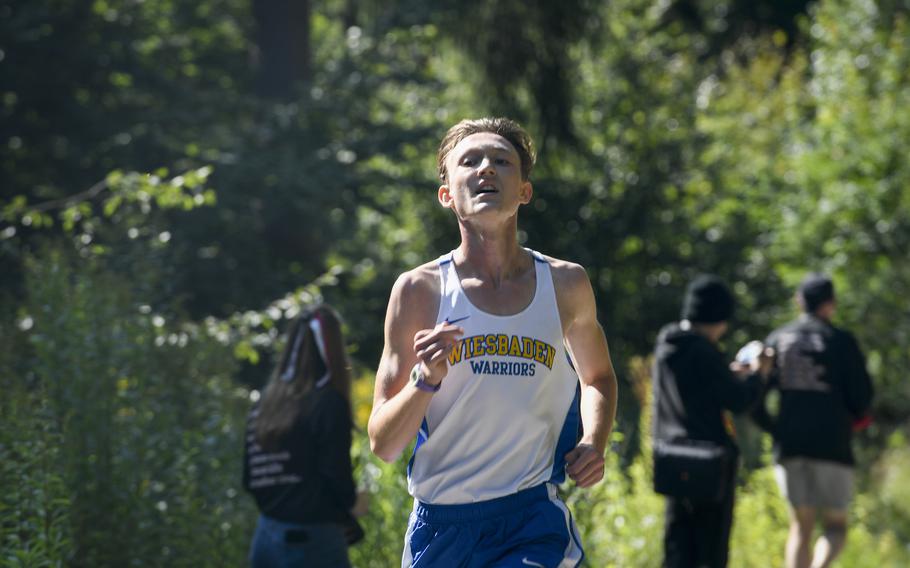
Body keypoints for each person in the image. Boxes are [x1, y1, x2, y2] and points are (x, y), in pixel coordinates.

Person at [368, 117, 618, 567]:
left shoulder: (565, 284)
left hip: (530, 517)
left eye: (502, 161)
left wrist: (594, 441)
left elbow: (597, 377)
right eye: (471, 161)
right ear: (447, 195)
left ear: (524, 190)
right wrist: (425, 381)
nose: (486, 169)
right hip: (440, 525)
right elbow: (383, 444)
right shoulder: (418, 291)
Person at [752, 273, 874, 568]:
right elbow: (863, 397)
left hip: (790, 445)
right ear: (831, 304)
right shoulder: (842, 341)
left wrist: (774, 428)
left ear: (799, 301)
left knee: (800, 528)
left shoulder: (778, 339)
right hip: (833, 446)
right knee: (835, 527)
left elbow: (754, 392)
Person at [652, 275, 770, 568]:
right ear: (717, 318)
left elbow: (697, 388)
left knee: (677, 548)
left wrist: (727, 372)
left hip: (673, 459)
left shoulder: (667, 344)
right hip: (709, 464)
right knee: (709, 554)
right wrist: (758, 374)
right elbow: (739, 400)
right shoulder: (704, 351)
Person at [243, 304, 368, 568]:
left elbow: (250, 479)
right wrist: (353, 504)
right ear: (334, 349)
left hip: (265, 538)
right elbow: (336, 477)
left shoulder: (265, 404)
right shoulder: (328, 404)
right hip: (314, 541)